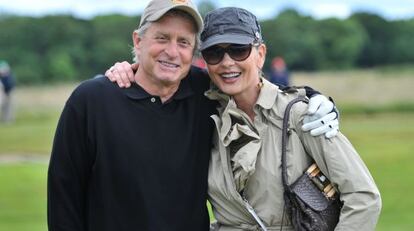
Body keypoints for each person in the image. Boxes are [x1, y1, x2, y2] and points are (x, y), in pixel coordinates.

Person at [48, 1, 339, 231]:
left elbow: (259, 88)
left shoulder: (205, 91)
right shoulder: (91, 100)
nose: (172, 52)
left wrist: (316, 99)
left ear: (194, 50)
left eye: (184, 42)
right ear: (138, 41)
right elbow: (64, 199)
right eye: (162, 38)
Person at [107, 7, 381, 231]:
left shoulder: (303, 115)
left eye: (239, 50)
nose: (227, 63)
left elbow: (364, 197)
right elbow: (159, 73)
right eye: (215, 53)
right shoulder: (201, 112)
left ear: (260, 54)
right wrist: (124, 70)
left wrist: (319, 100)